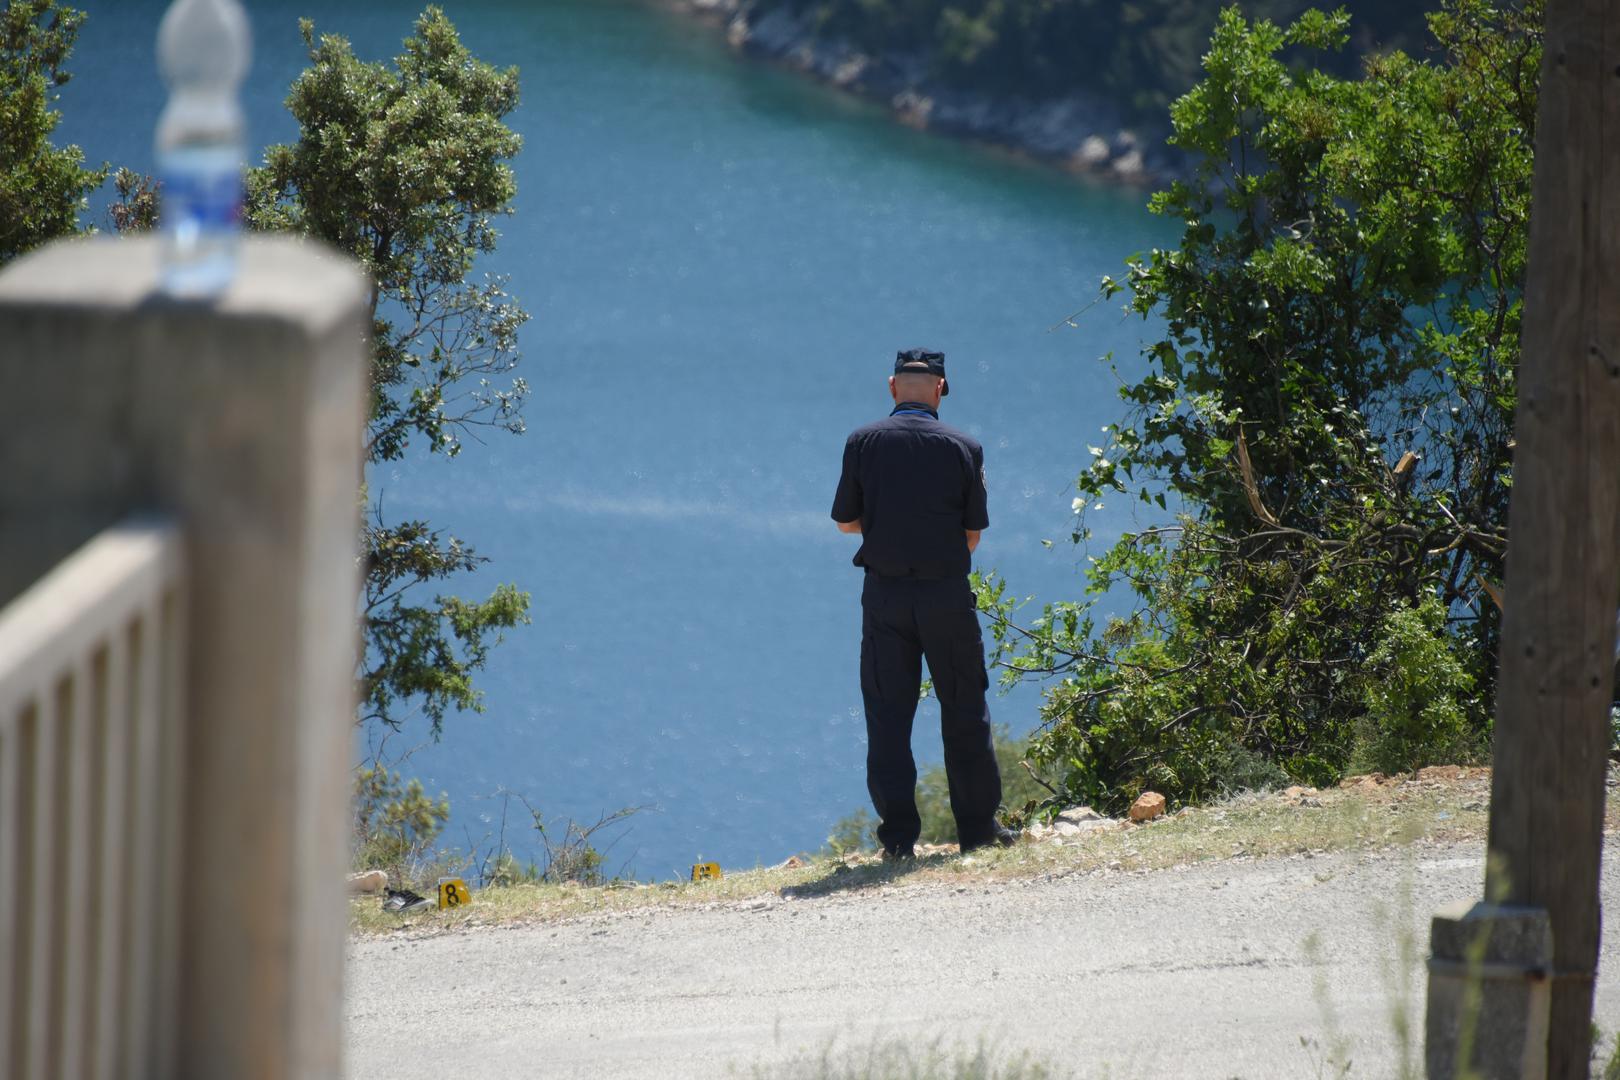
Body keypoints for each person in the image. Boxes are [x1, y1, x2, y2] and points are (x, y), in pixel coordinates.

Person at [830, 348, 1018, 859]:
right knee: (963, 709)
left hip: (885, 599)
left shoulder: (862, 442)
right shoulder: (965, 447)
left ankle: (897, 842)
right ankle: (978, 833)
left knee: (888, 716)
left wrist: (888, 529)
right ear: (940, 389)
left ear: (892, 387)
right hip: (946, 599)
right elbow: (972, 535)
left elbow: (846, 522)